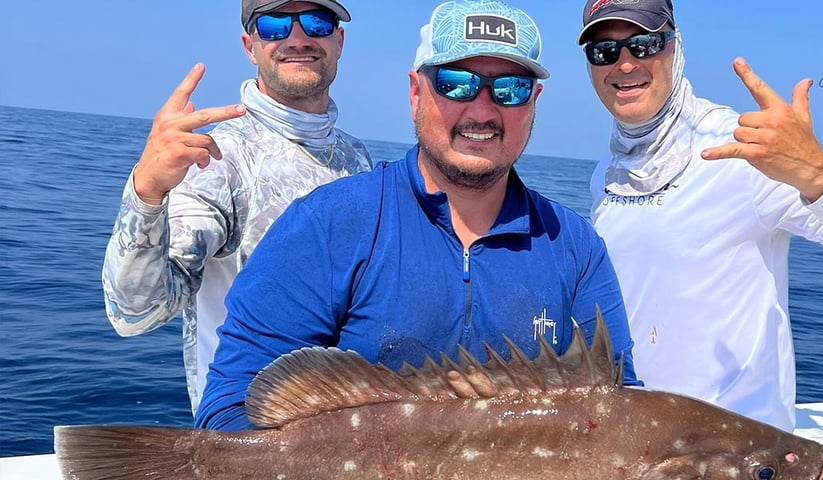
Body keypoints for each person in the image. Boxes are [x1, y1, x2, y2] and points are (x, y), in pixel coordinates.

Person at [195, 0, 640, 432]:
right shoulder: (328, 224)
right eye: (455, 83)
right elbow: (231, 411)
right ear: (415, 93)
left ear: (533, 102)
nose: (482, 110)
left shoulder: (576, 247)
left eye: (510, 88)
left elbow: (623, 417)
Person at [577, 0, 823, 431]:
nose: (625, 64)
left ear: (675, 46)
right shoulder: (604, 176)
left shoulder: (746, 147)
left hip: (738, 454)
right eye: (603, 51)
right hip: (642, 448)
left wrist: (819, 173)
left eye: (644, 44)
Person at [102, 0, 372, 414]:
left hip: (348, 433)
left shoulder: (358, 160)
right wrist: (147, 190)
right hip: (249, 440)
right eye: (275, 25)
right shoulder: (216, 159)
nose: (298, 38)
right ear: (251, 46)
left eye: (316, 22)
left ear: (338, 40)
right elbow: (135, 313)